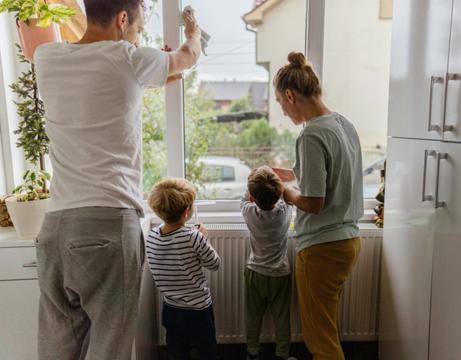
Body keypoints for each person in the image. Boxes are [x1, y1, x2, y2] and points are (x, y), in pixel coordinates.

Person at [32, 1, 202, 358]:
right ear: (123, 19)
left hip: (55, 230)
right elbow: (187, 57)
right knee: (109, 349)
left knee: (57, 350)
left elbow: (97, 73)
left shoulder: (46, 58)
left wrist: (149, 66)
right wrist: (193, 33)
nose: (137, 39)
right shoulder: (129, 58)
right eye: (138, 30)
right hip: (107, 227)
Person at [273, 52, 364, 360]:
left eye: (281, 104)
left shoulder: (310, 134)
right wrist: (292, 173)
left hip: (321, 247)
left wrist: (285, 192)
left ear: (290, 94)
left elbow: (313, 202)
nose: (284, 113)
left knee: (319, 339)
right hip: (347, 240)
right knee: (327, 327)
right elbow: (337, 173)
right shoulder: (341, 123)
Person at [147, 177, 220, 360]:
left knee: (178, 352)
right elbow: (215, 264)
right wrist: (203, 237)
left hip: (171, 309)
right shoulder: (193, 237)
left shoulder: (152, 236)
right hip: (198, 311)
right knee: (206, 351)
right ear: (187, 212)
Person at [240, 166, 295, 360]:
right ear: (279, 193)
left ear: (252, 199)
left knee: (253, 317)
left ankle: (252, 352)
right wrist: (275, 177)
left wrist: (253, 177)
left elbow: (244, 198)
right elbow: (289, 193)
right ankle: (282, 354)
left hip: (255, 273)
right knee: (282, 318)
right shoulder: (284, 211)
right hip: (280, 274)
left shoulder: (248, 212)